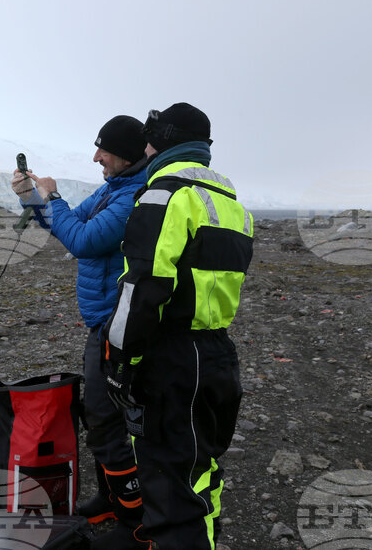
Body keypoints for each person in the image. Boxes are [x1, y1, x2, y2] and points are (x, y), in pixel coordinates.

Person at [101, 103, 254, 549]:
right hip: (218, 354)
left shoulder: (164, 195)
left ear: (165, 140)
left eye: (150, 138)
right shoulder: (232, 205)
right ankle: (205, 537)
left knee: (168, 480)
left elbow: (144, 286)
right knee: (201, 469)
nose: (144, 147)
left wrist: (119, 358)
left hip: (172, 358)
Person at [11, 115, 148, 546]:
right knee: (100, 416)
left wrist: (52, 196)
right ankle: (112, 498)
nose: (96, 156)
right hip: (102, 322)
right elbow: (64, 224)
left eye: (103, 149)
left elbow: (84, 241)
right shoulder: (113, 189)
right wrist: (34, 198)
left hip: (117, 324)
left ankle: (136, 519)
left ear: (125, 153)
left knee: (107, 420)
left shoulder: (134, 198)